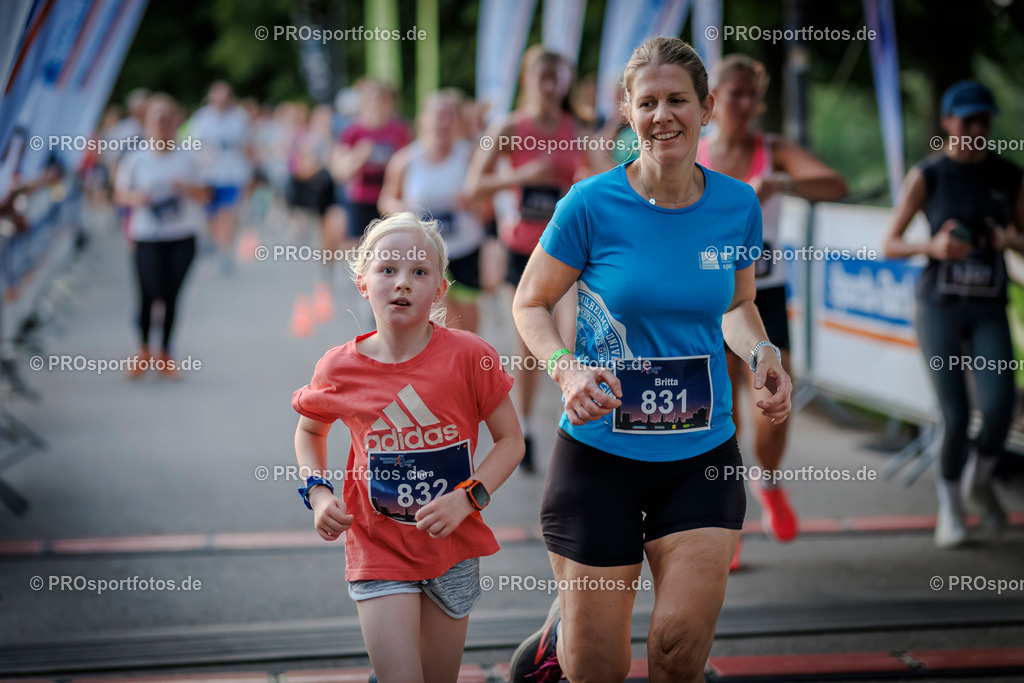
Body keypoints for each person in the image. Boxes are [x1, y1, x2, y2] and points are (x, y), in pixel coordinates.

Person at [508, 37, 792, 683]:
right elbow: (530, 302)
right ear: (626, 112)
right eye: (647, 102)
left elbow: (737, 305)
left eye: (677, 100)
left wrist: (763, 352)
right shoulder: (590, 203)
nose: (662, 115)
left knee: (676, 648)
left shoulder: (737, 204)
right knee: (596, 668)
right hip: (600, 453)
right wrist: (566, 367)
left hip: (701, 453)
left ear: (708, 107)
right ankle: (562, 635)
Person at [291, 212, 524, 683]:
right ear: (362, 282)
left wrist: (467, 498)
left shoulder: (469, 356)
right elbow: (310, 431)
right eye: (388, 270)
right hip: (377, 548)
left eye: (419, 272)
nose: (402, 283)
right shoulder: (339, 368)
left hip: (453, 546)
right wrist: (317, 492)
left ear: (440, 289)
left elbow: (510, 442)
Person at [697, 54, 847, 569]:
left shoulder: (772, 150)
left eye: (749, 95)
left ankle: (771, 480)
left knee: (773, 399)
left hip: (766, 295)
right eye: (731, 93)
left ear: (758, 101)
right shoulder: (693, 154)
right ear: (712, 100)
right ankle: (728, 517)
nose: (740, 104)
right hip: (707, 298)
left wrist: (780, 182)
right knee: (722, 413)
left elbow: (835, 184)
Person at [882, 80, 1024, 549]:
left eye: (984, 121)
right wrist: (933, 245)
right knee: (956, 416)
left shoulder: (1009, 175)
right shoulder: (929, 175)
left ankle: (979, 484)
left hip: (988, 307)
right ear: (947, 122)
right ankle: (950, 509)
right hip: (939, 306)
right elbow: (890, 243)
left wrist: (1009, 241)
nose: (977, 130)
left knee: (1002, 408)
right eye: (967, 121)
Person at [465, 46, 591, 472]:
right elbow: (473, 186)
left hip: (567, 249)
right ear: (527, 79)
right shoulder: (507, 127)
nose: (553, 87)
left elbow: (603, 171)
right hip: (522, 250)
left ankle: (570, 426)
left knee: (574, 336)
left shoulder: (577, 126)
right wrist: (522, 175)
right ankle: (528, 430)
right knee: (529, 349)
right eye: (545, 78)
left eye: (559, 79)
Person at [114, 94, 210, 379]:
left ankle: (165, 352)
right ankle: (143, 349)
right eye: (156, 118)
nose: (162, 123)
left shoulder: (190, 158)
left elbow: (206, 195)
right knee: (148, 293)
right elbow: (119, 195)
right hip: (147, 236)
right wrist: (136, 198)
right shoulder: (135, 159)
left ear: (175, 123)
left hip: (182, 236)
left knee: (170, 296)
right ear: (146, 123)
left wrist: (186, 188)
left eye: (168, 118)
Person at [379, 90, 487, 332]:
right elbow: (385, 198)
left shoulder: (470, 157)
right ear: (423, 119)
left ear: (457, 122)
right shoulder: (406, 160)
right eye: (437, 115)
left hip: (464, 247)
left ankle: (470, 365)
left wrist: (473, 201)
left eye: (449, 115)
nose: (442, 122)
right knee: (437, 316)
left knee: (467, 326)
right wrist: (400, 210)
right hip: (423, 251)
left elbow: (488, 205)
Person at [332, 80, 412, 245]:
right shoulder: (353, 131)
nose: (377, 105)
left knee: (391, 248)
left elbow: (412, 165)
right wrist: (359, 156)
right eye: (372, 100)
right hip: (361, 199)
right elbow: (340, 172)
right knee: (360, 249)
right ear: (364, 103)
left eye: (382, 100)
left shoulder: (400, 130)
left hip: (391, 199)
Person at [189, 81, 252, 271]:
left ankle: (226, 251)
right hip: (208, 175)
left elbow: (247, 145)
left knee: (228, 213)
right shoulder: (202, 118)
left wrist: (250, 173)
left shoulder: (239, 117)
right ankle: (212, 239)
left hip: (232, 174)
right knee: (211, 214)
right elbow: (193, 145)